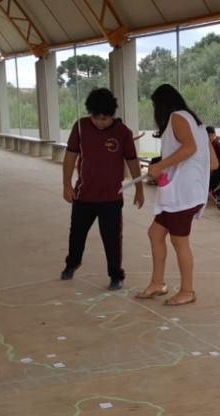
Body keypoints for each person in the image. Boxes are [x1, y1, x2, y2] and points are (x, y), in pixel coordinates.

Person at [134, 84, 216, 307]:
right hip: (182, 192)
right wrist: (171, 172)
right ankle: (158, 283)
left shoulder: (176, 118)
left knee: (180, 242)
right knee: (155, 233)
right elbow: (214, 163)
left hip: (183, 195)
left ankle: (188, 291)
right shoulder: (196, 123)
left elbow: (189, 148)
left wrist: (161, 166)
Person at [61, 88, 143, 291]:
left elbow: (132, 162)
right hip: (83, 196)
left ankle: (116, 275)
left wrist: (139, 188)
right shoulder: (80, 127)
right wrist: (66, 185)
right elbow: (70, 156)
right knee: (77, 234)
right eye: (96, 118)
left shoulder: (123, 133)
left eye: (105, 119)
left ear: (112, 115)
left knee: (112, 238)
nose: (100, 123)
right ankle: (72, 263)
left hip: (111, 199)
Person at [207, 126, 220, 194]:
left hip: (217, 165)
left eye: (212, 135)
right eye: (209, 135)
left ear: (215, 135)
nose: (211, 137)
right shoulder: (207, 144)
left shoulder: (216, 143)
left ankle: (210, 190)